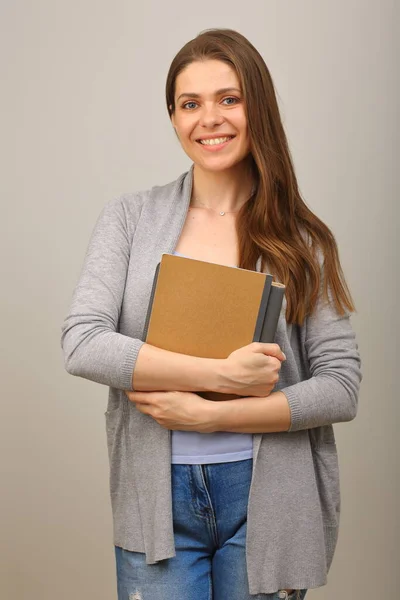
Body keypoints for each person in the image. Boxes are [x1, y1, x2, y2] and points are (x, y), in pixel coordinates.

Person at [61, 28, 362, 600]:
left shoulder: (303, 240)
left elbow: (341, 388)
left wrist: (214, 417)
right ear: (173, 119)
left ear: (258, 107)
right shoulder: (129, 218)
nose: (209, 119)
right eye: (189, 104)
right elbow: (82, 343)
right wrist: (217, 379)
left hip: (266, 499)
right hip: (159, 501)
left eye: (229, 98)